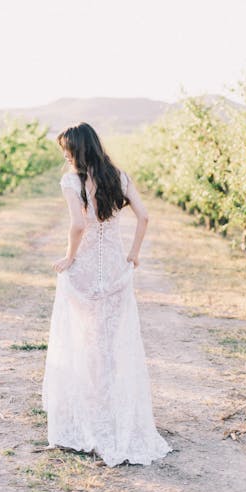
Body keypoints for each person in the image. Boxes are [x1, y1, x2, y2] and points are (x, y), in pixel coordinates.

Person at [41, 122, 172, 467]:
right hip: (115, 270)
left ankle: (91, 414)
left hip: (84, 271)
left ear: (75, 150)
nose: (64, 157)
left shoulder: (72, 181)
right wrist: (134, 254)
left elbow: (79, 225)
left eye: (66, 151)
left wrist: (69, 257)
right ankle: (114, 412)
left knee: (83, 341)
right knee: (110, 343)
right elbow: (144, 217)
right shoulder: (120, 177)